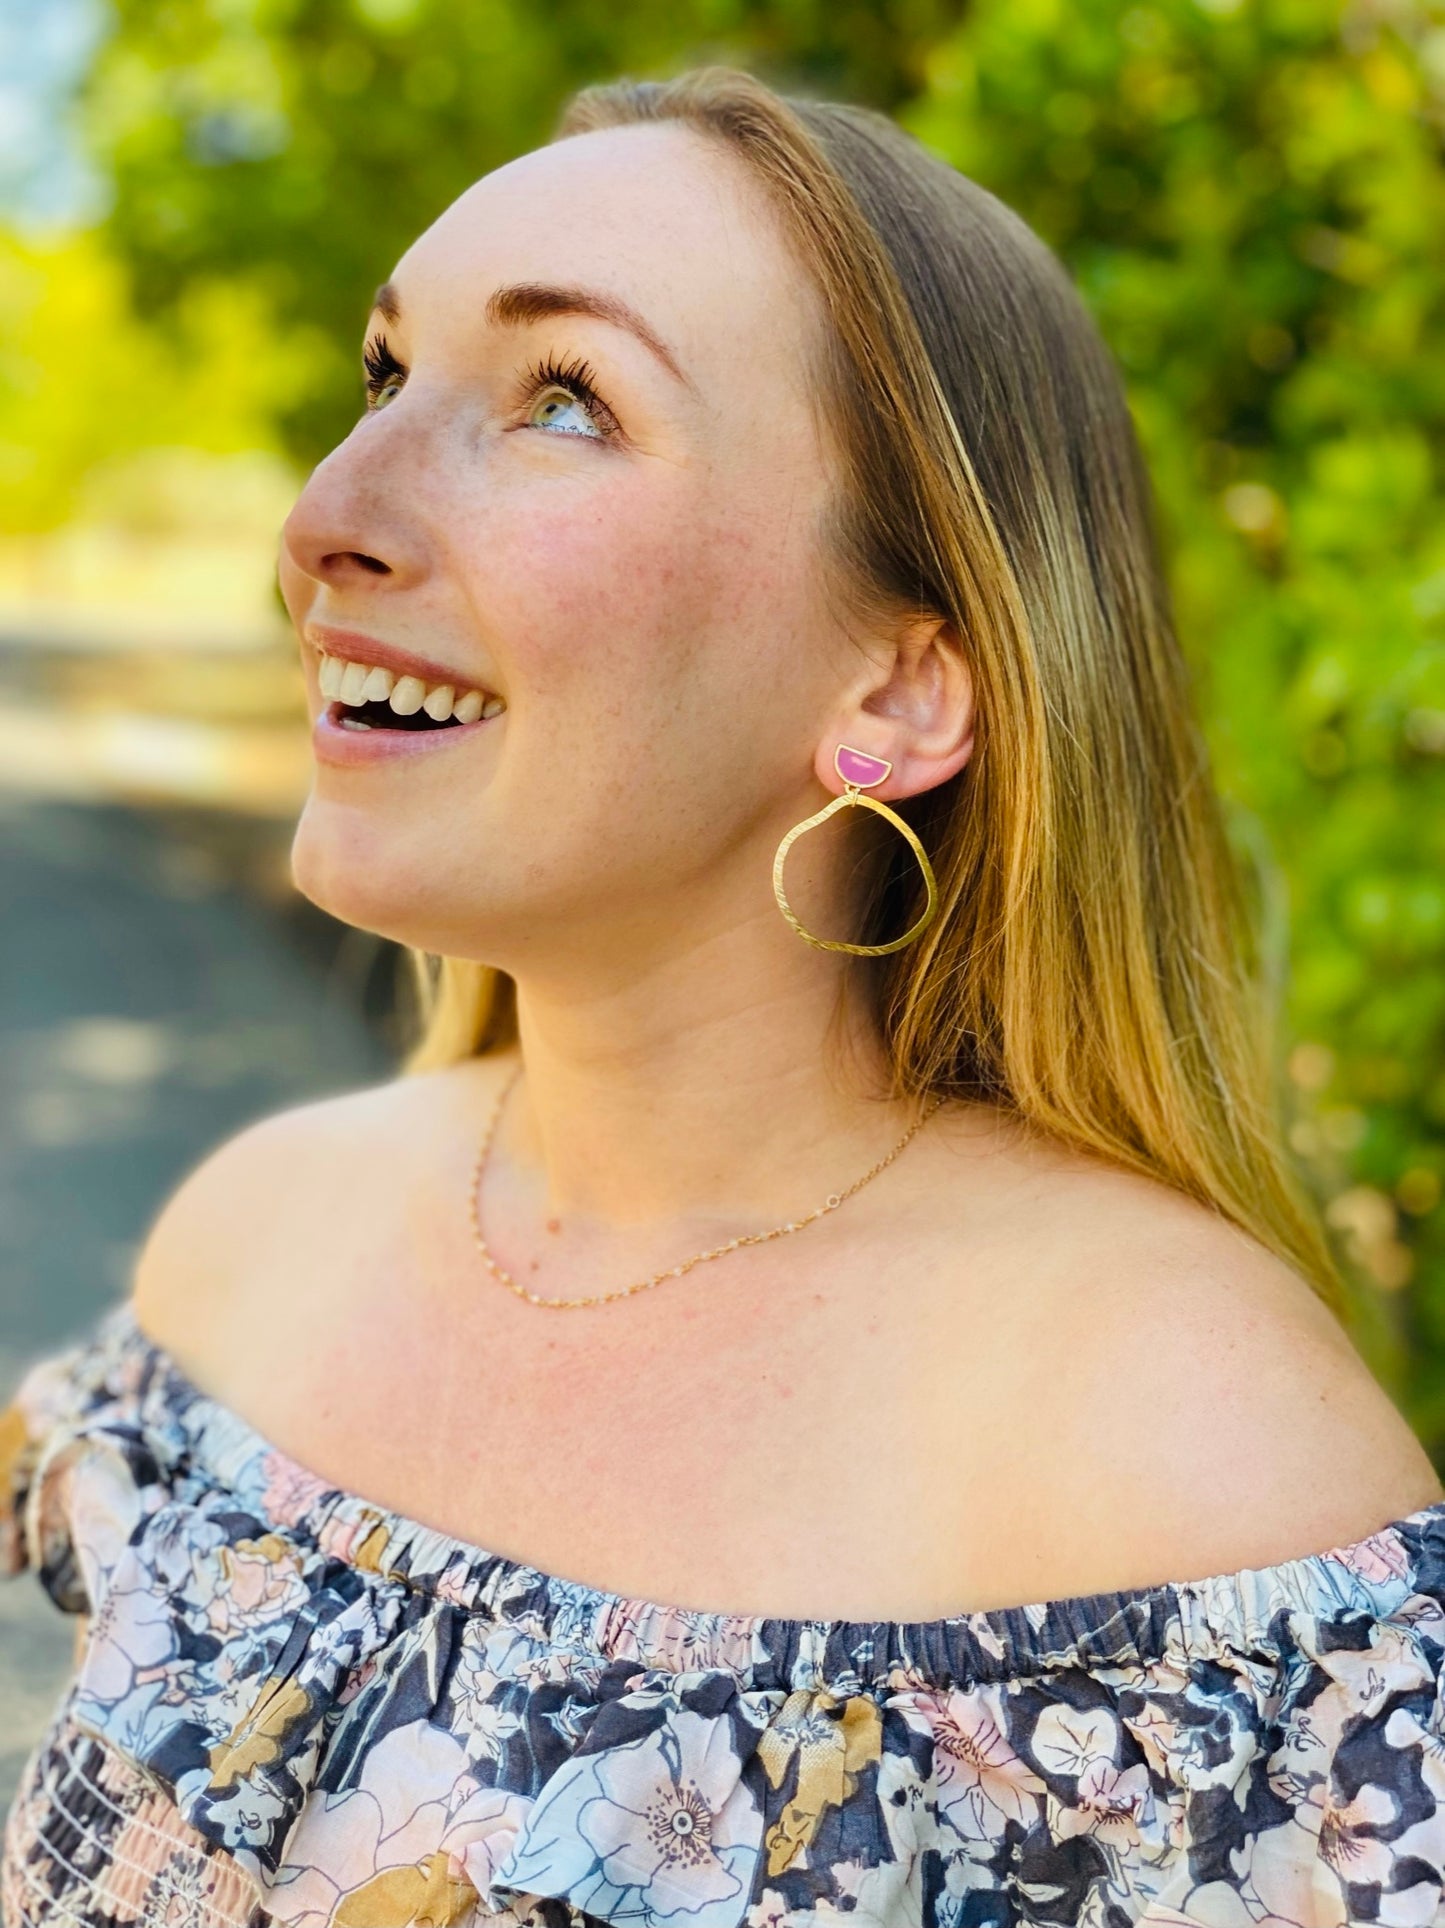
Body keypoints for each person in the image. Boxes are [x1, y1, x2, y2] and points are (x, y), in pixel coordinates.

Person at [3, 61, 1443, 1928]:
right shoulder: (250, 1246)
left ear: (896, 695)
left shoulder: (1185, 1452)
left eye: (565, 402)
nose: (327, 516)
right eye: (384, 377)